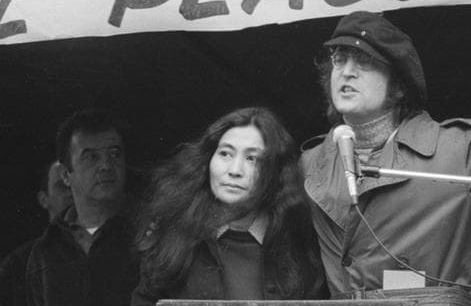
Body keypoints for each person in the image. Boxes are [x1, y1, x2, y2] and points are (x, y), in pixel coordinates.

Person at [301, 11, 471, 298]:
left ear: (398, 86)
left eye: (364, 61)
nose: (346, 71)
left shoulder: (458, 151)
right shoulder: (311, 163)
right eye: (339, 59)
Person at [131, 106, 326, 305]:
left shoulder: (297, 244)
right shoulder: (171, 237)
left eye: (252, 158)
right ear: (208, 160)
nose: (235, 170)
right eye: (225, 154)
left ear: (275, 173)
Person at [25, 109, 138, 306]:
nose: (106, 165)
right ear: (66, 176)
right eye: (91, 157)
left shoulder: (149, 234)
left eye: (114, 154)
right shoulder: (43, 253)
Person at [0, 160, 73, 306]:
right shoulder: (18, 265)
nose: (72, 192)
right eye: (63, 186)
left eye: (74, 184)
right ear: (44, 199)